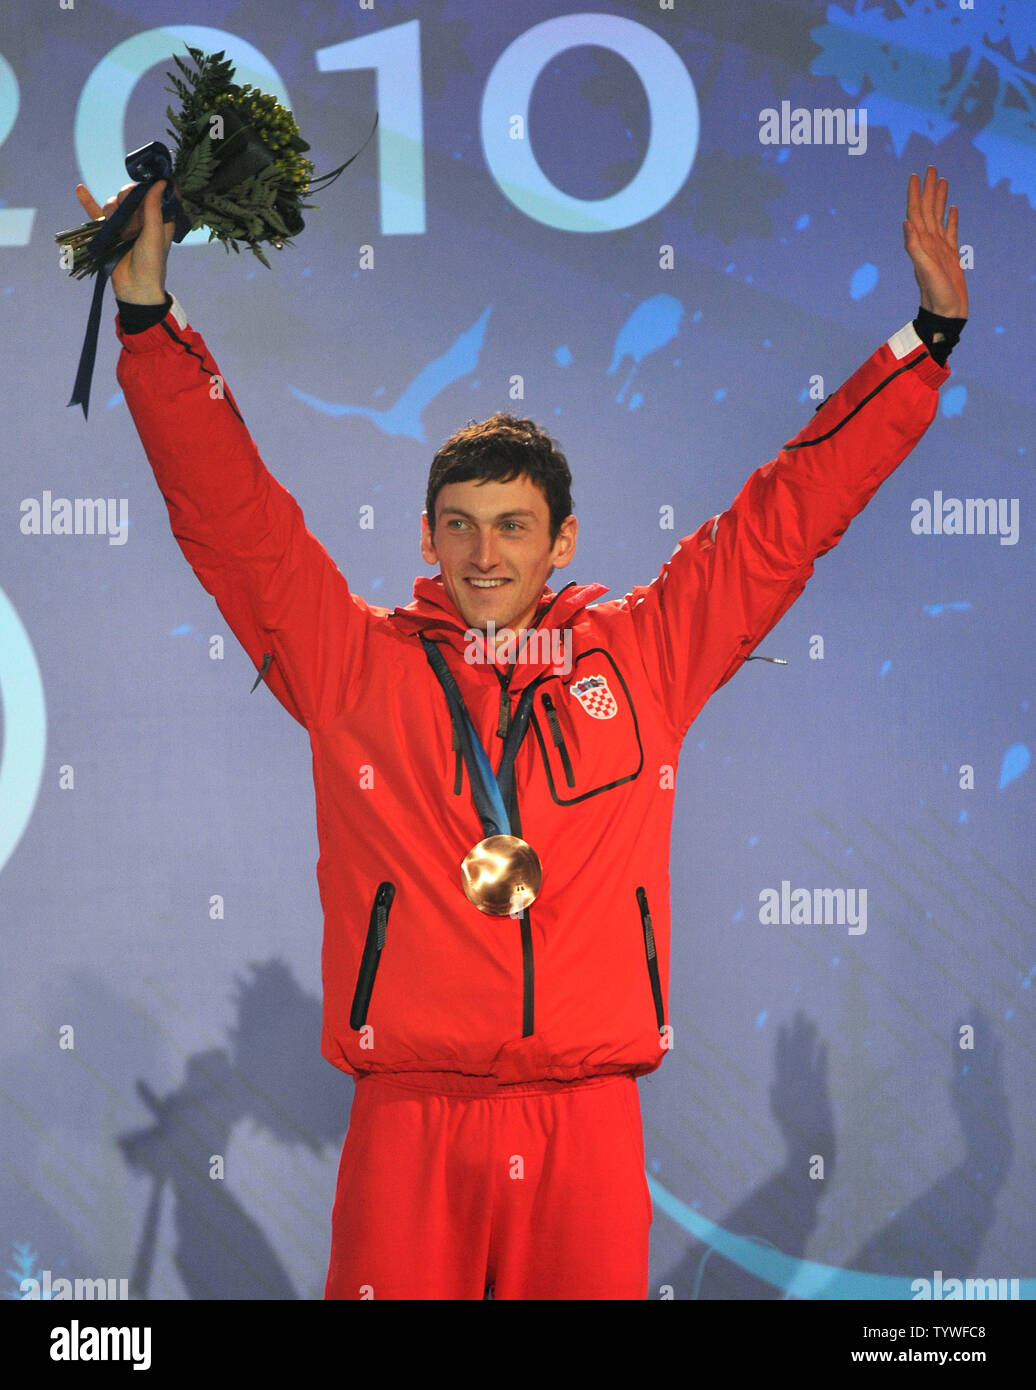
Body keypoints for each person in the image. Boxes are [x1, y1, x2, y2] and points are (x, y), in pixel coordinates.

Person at [74, 166, 967, 1300]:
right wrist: (149, 323)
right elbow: (231, 518)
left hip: (583, 1121)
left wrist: (924, 339)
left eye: (510, 528)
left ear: (561, 541)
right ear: (428, 535)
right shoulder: (360, 665)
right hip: (408, 1119)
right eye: (459, 527)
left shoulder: (645, 655)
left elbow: (782, 518)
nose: (482, 554)